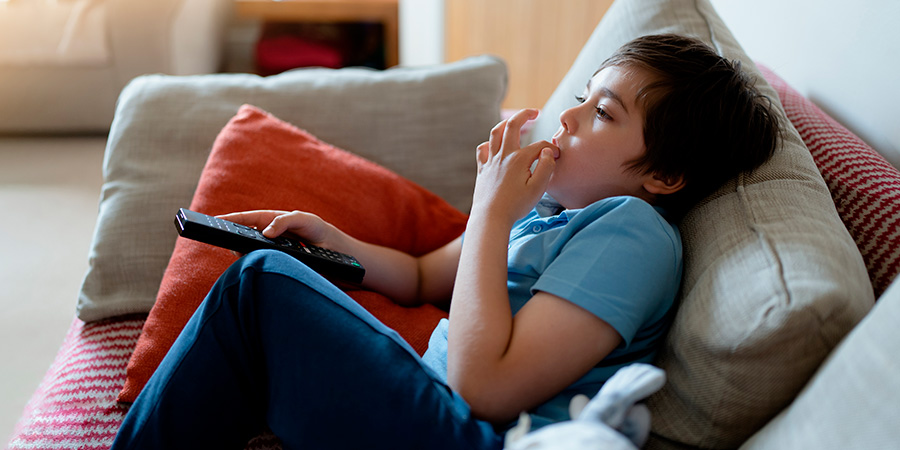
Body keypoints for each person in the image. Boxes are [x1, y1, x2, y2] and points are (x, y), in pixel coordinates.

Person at [111, 34, 780, 450]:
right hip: (427, 398)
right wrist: (328, 240)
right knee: (268, 281)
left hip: (475, 434)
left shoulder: (632, 235)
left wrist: (490, 210)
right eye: (582, 97)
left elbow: (485, 388)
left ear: (665, 175)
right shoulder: (545, 211)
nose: (568, 116)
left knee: (258, 288)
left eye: (603, 115)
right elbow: (424, 275)